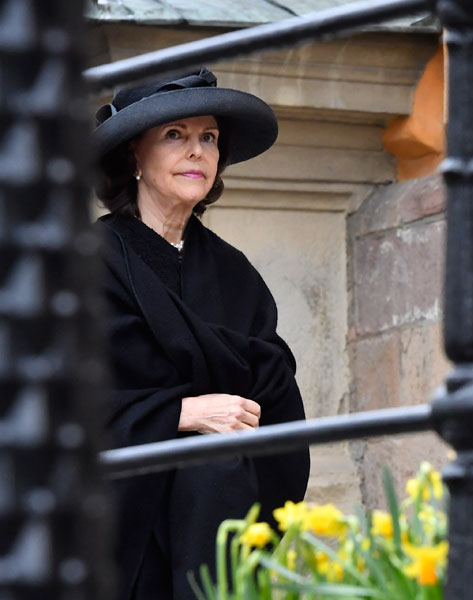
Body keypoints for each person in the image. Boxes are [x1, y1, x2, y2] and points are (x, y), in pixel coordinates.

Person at [91, 69, 311, 600]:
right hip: (118, 539)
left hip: (220, 525)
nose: (197, 152)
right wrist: (181, 415)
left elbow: (277, 401)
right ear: (132, 156)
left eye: (208, 137)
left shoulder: (236, 274)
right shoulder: (81, 265)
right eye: (175, 135)